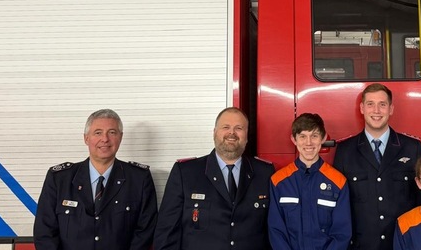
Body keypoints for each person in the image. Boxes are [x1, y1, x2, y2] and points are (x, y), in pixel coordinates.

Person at [33, 108, 157, 250]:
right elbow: (44, 233)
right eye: (98, 133)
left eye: (112, 132)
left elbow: (145, 232)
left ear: (120, 137)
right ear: (86, 138)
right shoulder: (59, 179)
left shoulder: (139, 179)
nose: (105, 139)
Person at [153, 107, 275, 250]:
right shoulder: (186, 172)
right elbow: (167, 231)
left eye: (239, 128)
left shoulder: (264, 172)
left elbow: (273, 229)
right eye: (226, 127)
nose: (232, 133)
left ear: (247, 135)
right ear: (214, 132)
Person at [333, 83, 421, 250]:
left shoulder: (413, 148)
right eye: (370, 104)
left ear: (391, 109)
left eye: (382, 104)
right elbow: (339, 206)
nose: (376, 110)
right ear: (362, 108)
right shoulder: (345, 150)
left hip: (403, 243)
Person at [269, 112, 351, 250]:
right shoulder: (278, 181)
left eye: (314, 136)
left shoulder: (338, 182)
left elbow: (342, 233)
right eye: (302, 136)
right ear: (294, 139)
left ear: (323, 138)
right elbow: (276, 230)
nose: (308, 143)